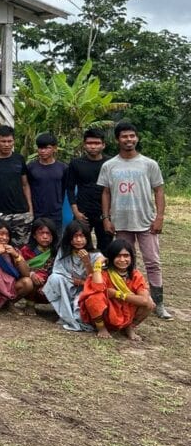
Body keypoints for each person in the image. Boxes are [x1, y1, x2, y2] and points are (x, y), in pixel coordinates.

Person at [99, 121, 170, 319]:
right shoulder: (109, 165)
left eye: (131, 136)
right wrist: (106, 218)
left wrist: (159, 217)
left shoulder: (149, 164)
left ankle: (158, 303)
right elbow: (105, 193)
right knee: (126, 263)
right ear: (117, 140)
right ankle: (131, 300)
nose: (128, 140)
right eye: (124, 136)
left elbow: (159, 190)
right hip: (121, 223)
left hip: (146, 221)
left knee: (153, 262)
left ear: (136, 138)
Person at [79, 238, 155, 341]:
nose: (123, 260)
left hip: (126, 311)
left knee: (150, 304)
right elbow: (97, 288)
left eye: (126, 256)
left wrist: (118, 294)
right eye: (118, 256)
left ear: (131, 257)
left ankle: (129, 327)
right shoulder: (105, 273)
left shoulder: (135, 275)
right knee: (94, 298)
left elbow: (144, 300)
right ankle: (101, 328)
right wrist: (97, 265)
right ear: (111, 257)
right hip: (106, 314)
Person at [0, 125, 33, 247]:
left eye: (10, 141)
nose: (7, 144)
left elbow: (25, 184)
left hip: (22, 212)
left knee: (22, 247)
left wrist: (30, 208)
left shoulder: (19, 159)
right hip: (0, 213)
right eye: (3, 141)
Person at [43, 220, 101, 332]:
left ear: (87, 238)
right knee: (54, 278)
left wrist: (87, 263)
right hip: (68, 286)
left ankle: (71, 317)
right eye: (75, 236)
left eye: (82, 236)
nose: (78, 240)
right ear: (69, 238)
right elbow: (58, 270)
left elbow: (96, 282)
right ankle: (64, 315)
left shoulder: (96, 255)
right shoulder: (64, 252)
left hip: (86, 290)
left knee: (79, 317)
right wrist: (72, 280)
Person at [67, 128, 112, 249]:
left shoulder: (110, 163)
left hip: (105, 212)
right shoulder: (76, 163)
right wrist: (75, 212)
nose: (93, 146)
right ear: (84, 145)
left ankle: (103, 268)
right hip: (83, 212)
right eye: (89, 143)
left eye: (97, 143)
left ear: (103, 145)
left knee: (106, 246)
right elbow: (70, 188)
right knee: (78, 244)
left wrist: (109, 213)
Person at [28, 133, 67, 229]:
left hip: (56, 212)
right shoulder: (31, 167)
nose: (43, 151)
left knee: (56, 240)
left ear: (55, 148)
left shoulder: (63, 168)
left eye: (47, 148)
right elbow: (26, 188)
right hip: (36, 212)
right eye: (40, 148)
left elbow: (65, 189)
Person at [18, 218, 59, 310]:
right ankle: (30, 303)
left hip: (48, 285)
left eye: (48, 233)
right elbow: (17, 268)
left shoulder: (56, 252)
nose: (45, 236)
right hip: (30, 284)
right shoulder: (25, 250)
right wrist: (31, 274)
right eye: (41, 233)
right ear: (34, 235)